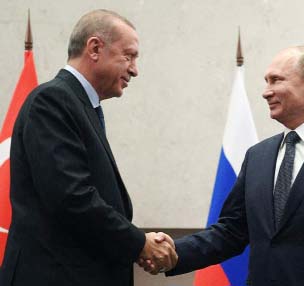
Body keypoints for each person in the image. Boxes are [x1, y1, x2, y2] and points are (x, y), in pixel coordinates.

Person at [144, 46, 304, 285]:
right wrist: (174, 252)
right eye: (266, 82)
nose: (266, 91)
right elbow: (231, 231)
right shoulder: (258, 155)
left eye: (276, 80)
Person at [0, 9, 177, 286]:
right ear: (95, 48)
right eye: (128, 56)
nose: (134, 69)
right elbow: (72, 197)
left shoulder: (80, 105)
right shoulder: (52, 101)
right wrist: (139, 243)